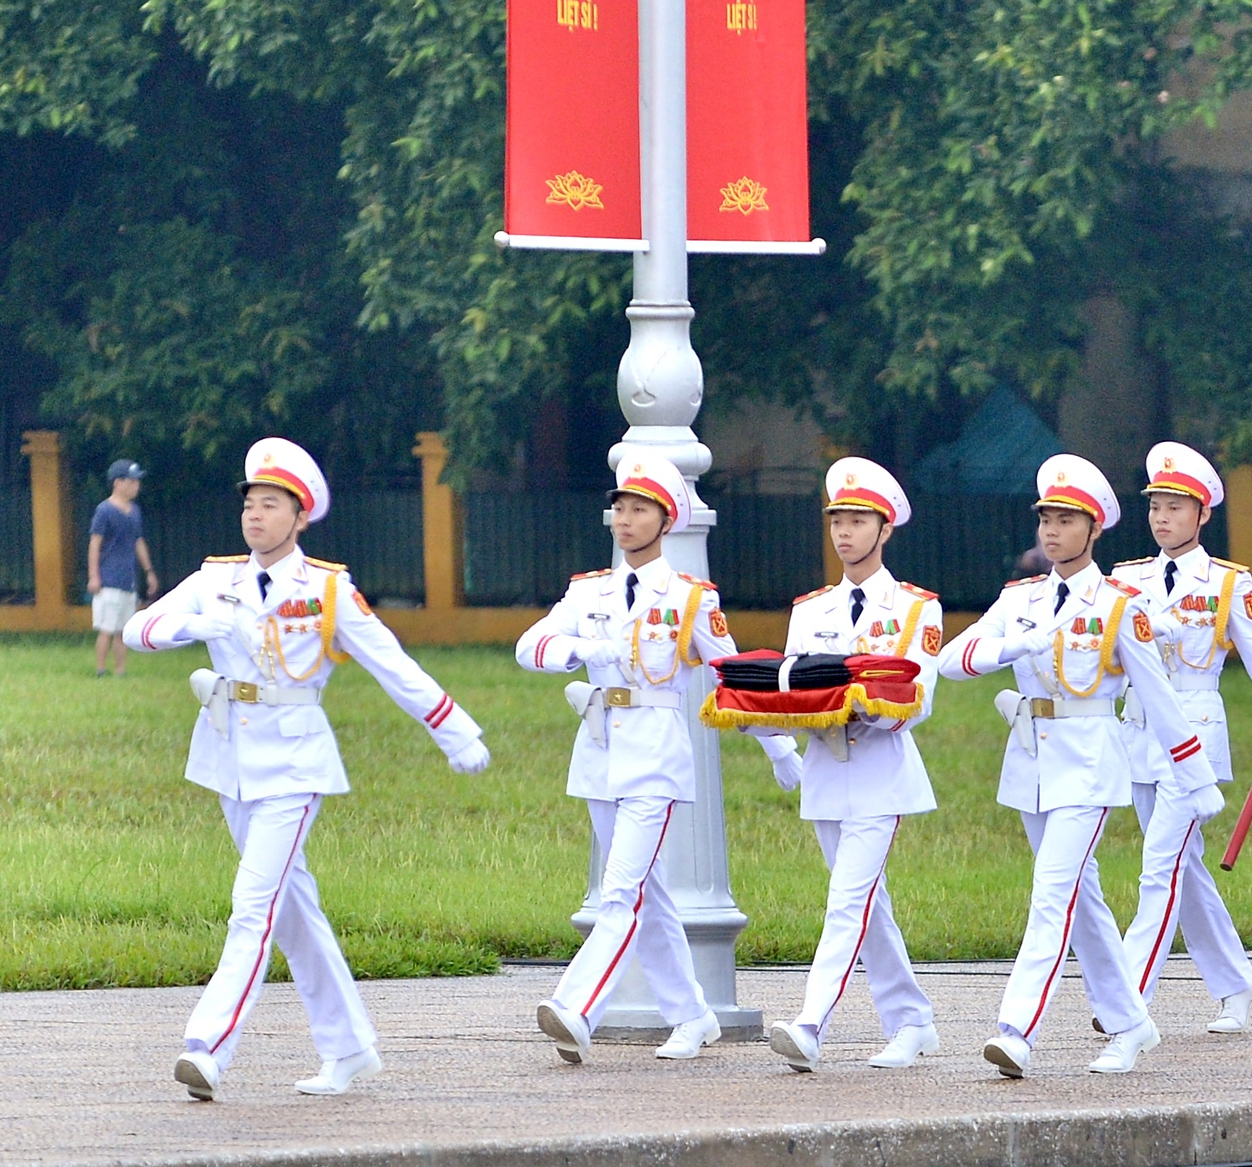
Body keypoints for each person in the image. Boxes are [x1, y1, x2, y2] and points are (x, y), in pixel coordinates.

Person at [123, 438, 488, 1099]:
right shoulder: (216, 579)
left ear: (300, 516)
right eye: (250, 503)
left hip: (294, 761)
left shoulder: (325, 589)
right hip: (229, 758)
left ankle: (209, 1045)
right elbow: (137, 630)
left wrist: (454, 728)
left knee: (252, 905)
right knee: (294, 911)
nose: (255, 515)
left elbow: (391, 663)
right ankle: (349, 1047)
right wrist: (192, 622)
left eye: (271, 504)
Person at [941, 454, 1209, 1077]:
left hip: (1089, 761)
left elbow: (1160, 698)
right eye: (1047, 520)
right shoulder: (1021, 598)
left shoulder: (1119, 605)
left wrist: (1193, 777)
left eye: (1067, 520)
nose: (1052, 532)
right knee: (1082, 899)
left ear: (1095, 530)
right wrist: (1012, 645)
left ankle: (1016, 1029)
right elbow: (953, 660)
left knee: (1052, 892)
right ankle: (1131, 1022)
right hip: (1032, 759)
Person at [517, 452, 767, 1065]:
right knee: (647, 896)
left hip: (656, 752)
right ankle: (693, 1015)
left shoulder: (688, 598)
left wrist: (779, 744)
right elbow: (531, 647)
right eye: (620, 508)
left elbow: (730, 673)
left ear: (665, 521)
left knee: (619, 891)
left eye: (639, 510)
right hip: (601, 748)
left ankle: (577, 1007)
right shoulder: (588, 592)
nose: (625, 520)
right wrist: (582, 647)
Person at [1111, 441, 1252, 1034]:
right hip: (1139, 733)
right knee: (1184, 869)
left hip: (1194, 734)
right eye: (1156, 507)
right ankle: (1235, 983)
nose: (1163, 518)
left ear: (1203, 515)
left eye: (1176, 507)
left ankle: (1126, 996)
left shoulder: (1228, 583)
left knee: (1159, 866)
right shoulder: (1125, 579)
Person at [761, 457, 945, 1072]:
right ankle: (913, 1020)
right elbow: (793, 688)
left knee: (849, 901)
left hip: (879, 768)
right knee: (869, 905)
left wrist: (863, 709)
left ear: (885, 528)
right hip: (824, 769)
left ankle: (811, 1023)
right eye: (837, 518)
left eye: (858, 519)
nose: (844, 532)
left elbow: (916, 701)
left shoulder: (917, 608)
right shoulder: (810, 609)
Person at [88, 459, 156, 676]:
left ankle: (120, 670)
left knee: (123, 631)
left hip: (128, 579)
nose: (137, 485)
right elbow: (95, 543)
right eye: (132, 481)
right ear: (118, 483)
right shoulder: (104, 510)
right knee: (107, 629)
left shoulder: (134, 511)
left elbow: (138, 541)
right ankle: (100, 669)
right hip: (109, 579)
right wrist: (94, 576)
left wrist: (149, 572)